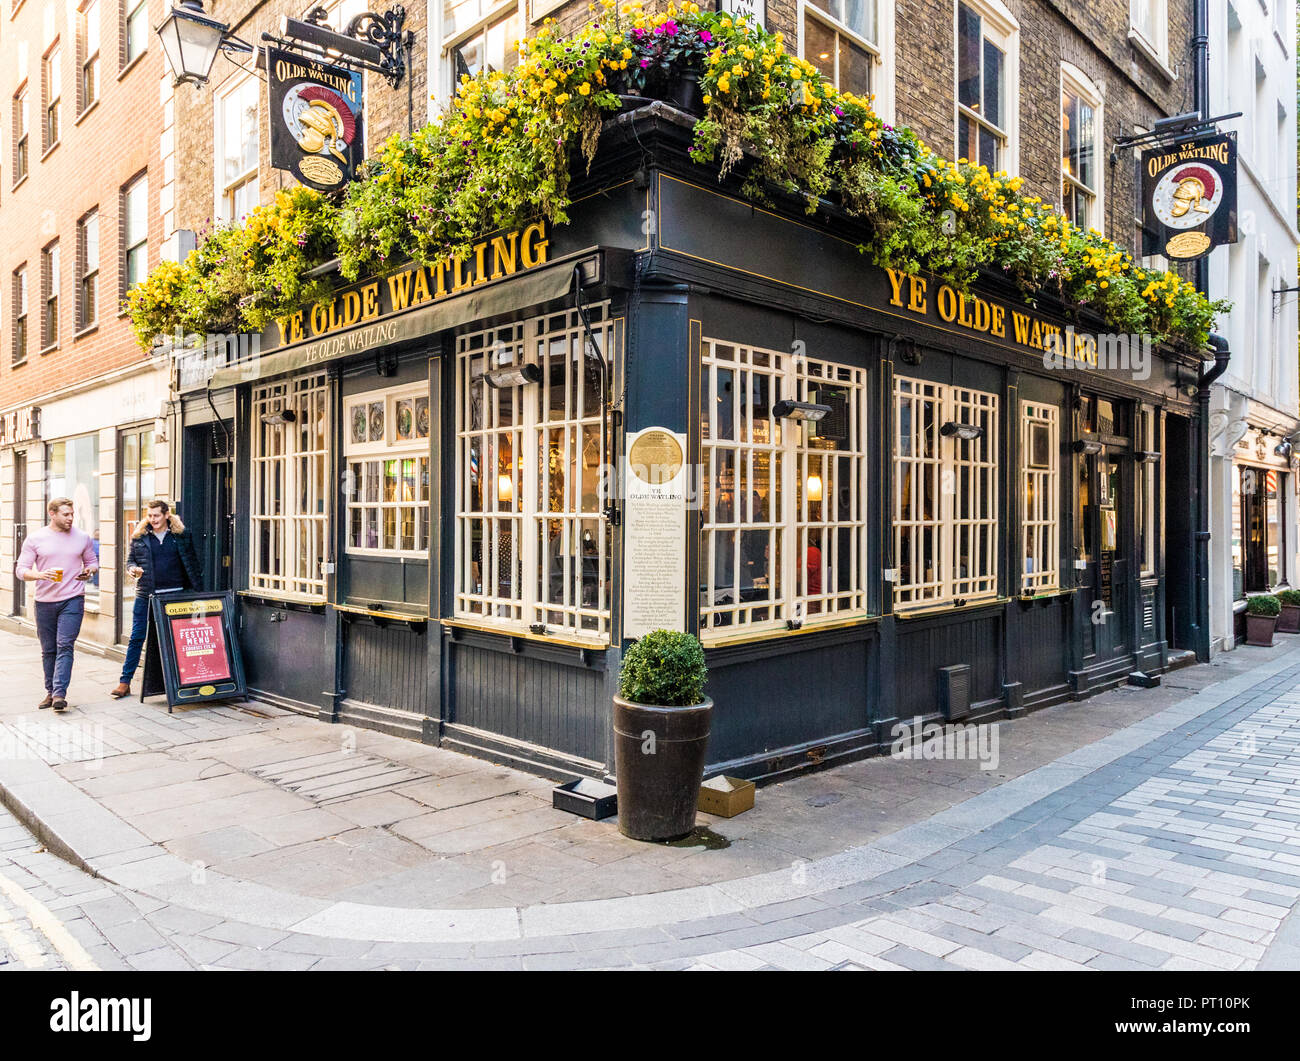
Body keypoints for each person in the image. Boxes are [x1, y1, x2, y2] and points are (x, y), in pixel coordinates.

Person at [110, 499, 203, 699]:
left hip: (175, 595)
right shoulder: (139, 536)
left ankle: (185, 682)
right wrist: (132, 570)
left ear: (167, 514)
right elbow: (130, 562)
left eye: (157, 516)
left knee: (178, 640)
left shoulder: (181, 535)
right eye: (150, 516)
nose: (153, 520)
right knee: (136, 637)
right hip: (147, 595)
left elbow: (192, 564)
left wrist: (195, 592)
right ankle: (124, 682)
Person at [15, 497, 99, 712]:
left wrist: (89, 571)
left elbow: (92, 562)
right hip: (44, 603)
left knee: (65, 645)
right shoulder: (35, 538)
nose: (71, 518)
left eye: (72, 514)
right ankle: (50, 692)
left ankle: (60, 693)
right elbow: (21, 570)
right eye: (66, 514)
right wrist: (39, 574)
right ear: (52, 514)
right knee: (49, 649)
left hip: (73, 599)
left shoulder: (82, 537)